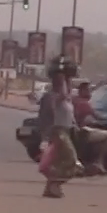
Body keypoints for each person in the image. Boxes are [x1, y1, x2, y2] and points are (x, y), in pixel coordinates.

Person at [37, 58, 79, 198]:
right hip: (59, 132)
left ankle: (51, 187)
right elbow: (51, 110)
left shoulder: (67, 98)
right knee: (71, 160)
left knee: (61, 161)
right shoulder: (54, 97)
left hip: (66, 131)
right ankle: (54, 183)